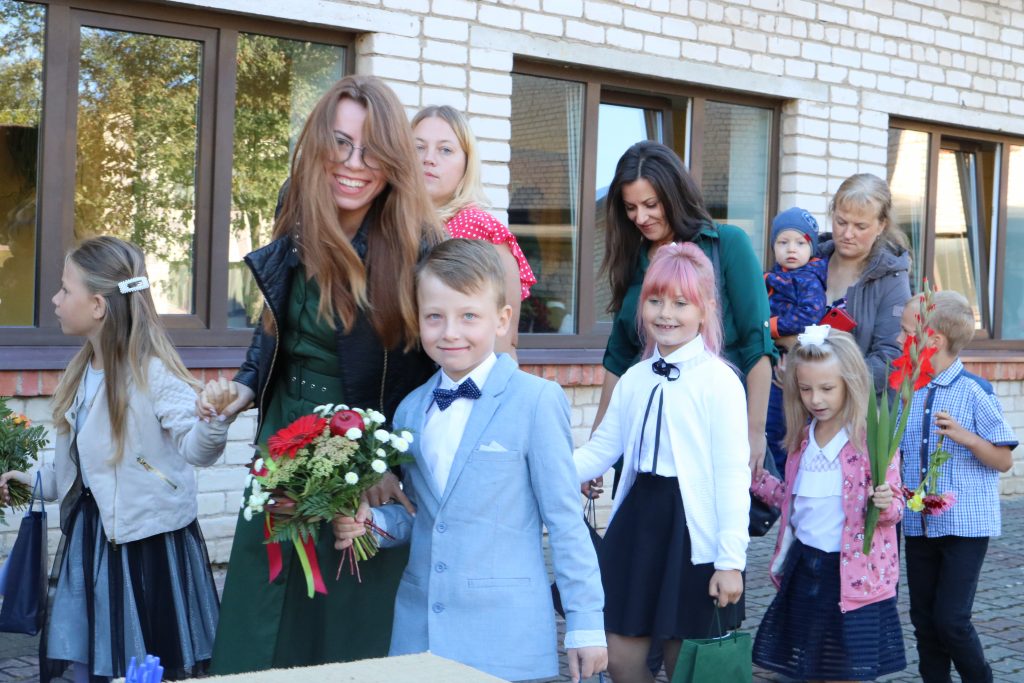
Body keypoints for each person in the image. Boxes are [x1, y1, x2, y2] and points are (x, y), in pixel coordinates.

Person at [205, 75, 444, 674]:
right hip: (283, 440)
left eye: (371, 150)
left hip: (362, 448)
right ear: (317, 144)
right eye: (340, 143)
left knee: (345, 606)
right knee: (265, 600)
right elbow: (274, 321)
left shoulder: (417, 242)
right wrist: (245, 383)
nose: (353, 164)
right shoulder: (298, 206)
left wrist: (387, 462)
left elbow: (432, 370)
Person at [331, 239, 606, 683]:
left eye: (468, 316)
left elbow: (565, 521)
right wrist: (372, 525)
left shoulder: (536, 401)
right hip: (420, 630)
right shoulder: (411, 409)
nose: (450, 332)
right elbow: (421, 516)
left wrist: (586, 622)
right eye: (434, 317)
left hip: (504, 636)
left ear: (502, 320)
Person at [0, 236, 236, 682]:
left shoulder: (153, 372)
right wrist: (27, 480)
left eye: (65, 289)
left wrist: (215, 420)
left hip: (147, 547)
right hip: (93, 539)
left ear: (97, 306)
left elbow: (197, 450)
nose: (54, 300)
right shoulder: (80, 372)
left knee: (141, 662)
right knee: (94, 659)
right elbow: (78, 474)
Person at [573, 242, 749, 683]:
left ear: (705, 310)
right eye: (655, 301)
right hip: (637, 521)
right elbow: (601, 450)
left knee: (685, 664)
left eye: (680, 303)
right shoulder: (634, 378)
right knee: (618, 656)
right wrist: (541, 470)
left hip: (691, 531)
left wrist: (730, 561)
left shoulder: (720, 382)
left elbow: (732, 476)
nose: (665, 313)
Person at [591, 141, 775, 501]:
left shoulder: (727, 244)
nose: (640, 218)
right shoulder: (632, 257)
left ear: (673, 195)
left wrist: (754, 432)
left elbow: (758, 347)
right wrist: (598, 446)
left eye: (650, 205)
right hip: (644, 443)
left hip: (707, 439)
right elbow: (619, 358)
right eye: (630, 207)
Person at [751, 326, 906, 682]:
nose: (815, 399)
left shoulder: (869, 441)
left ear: (850, 384)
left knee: (845, 670)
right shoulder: (802, 439)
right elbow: (793, 499)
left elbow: (895, 506)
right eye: (806, 389)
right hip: (806, 567)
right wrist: (756, 479)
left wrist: (884, 504)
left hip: (851, 577)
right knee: (807, 666)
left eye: (826, 389)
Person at [897, 290, 1018, 683]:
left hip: (965, 527)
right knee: (924, 620)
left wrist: (967, 438)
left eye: (906, 332)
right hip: (919, 524)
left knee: (951, 620)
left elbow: (1003, 460)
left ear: (933, 340)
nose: (899, 339)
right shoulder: (909, 390)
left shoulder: (975, 391)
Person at [412, 104, 536, 356]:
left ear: (467, 163)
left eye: (445, 150)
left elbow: (504, 342)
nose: (429, 159)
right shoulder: (391, 223)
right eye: (418, 147)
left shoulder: (481, 229)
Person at [817, 173, 912, 394]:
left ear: (881, 226)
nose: (847, 234)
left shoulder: (892, 279)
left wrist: (828, 384)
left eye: (860, 226)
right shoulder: (808, 259)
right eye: (841, 222)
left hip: (856, 406)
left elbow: (890, 358)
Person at [764, 206, 828, 475]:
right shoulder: (774, 276)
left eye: (800, 243)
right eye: (783, 242)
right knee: (767, 424)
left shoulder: (809, 279)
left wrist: (771, 326)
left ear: (811, 247)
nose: (791, 249)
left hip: (794, 362)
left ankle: (781, 479)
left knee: (783, 426)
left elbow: (809, 315)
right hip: (771, 360)